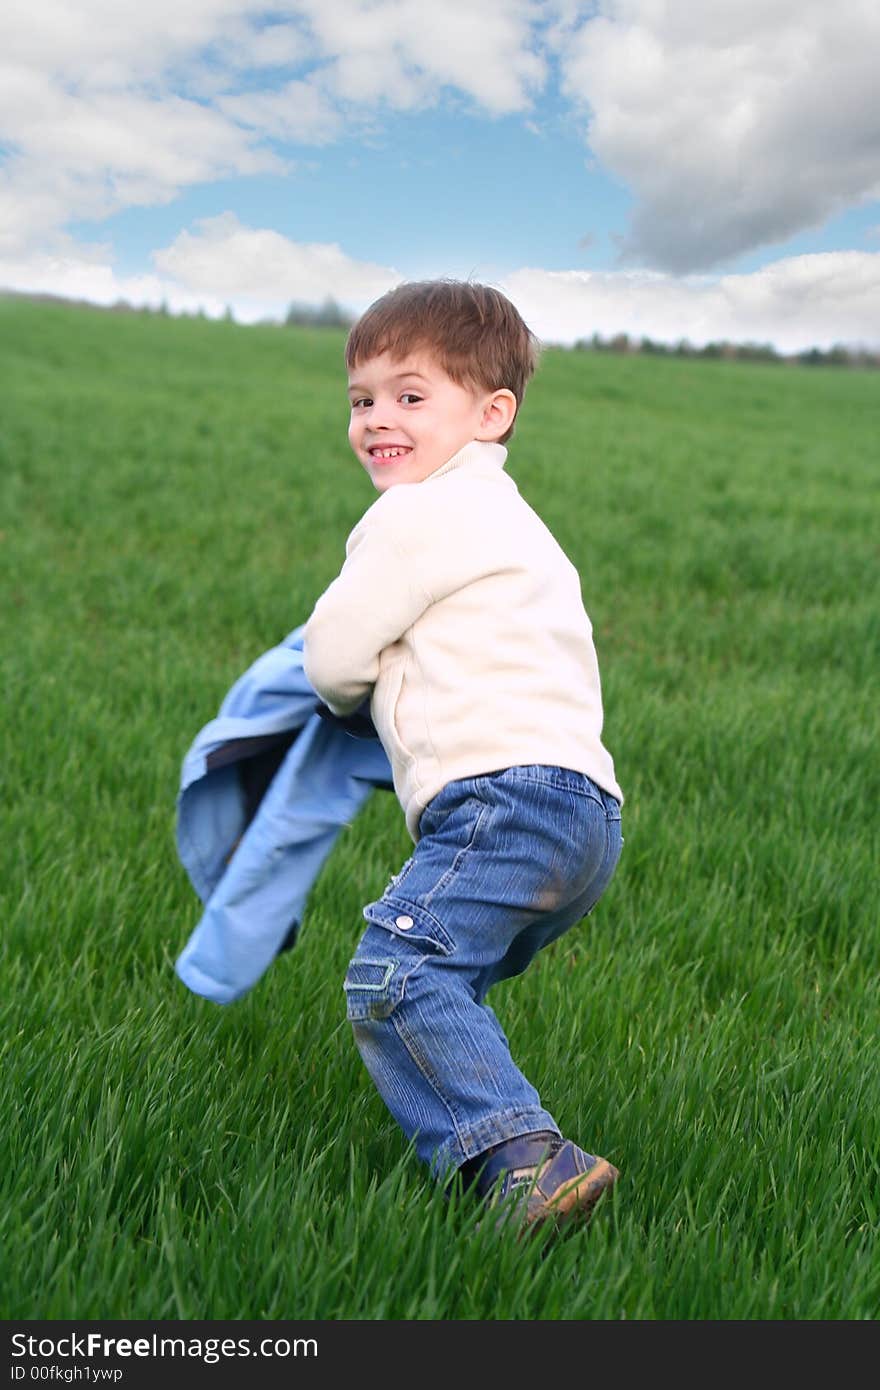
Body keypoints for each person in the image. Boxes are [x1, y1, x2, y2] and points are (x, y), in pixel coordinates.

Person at [303, 279, 623, 1233]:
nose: (375, 421)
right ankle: (509, 1149)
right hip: (584, 816)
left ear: (492, 414)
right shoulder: (516, 524)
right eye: (361, 399)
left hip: (501, 803)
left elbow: (332, 653)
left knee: (398, 977)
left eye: (410, 396)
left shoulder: (414, 515)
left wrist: (343, 699)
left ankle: (525, 1163)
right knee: (449, 978)